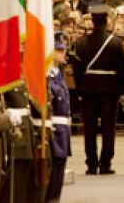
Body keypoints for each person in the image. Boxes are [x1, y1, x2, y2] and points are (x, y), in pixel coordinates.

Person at [71, 3, 124, 175]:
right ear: (107, 22)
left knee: (89, 128)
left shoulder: (80, 43)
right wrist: (122, 90)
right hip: (110, 89)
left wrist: (81, 89)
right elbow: (121, 70)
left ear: (93, 22)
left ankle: (91, 163)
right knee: (108, 128)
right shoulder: (116, 43)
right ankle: (105, 164)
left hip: (88, 89)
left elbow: (77, 71)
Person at [47, 33, 73, 203]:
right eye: (58, 50)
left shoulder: (57, 74)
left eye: (63, 50)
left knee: (58, 172)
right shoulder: (47, 76)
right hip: (54, 129)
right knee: (51, 175)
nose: (62, 53)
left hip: (62, 129)